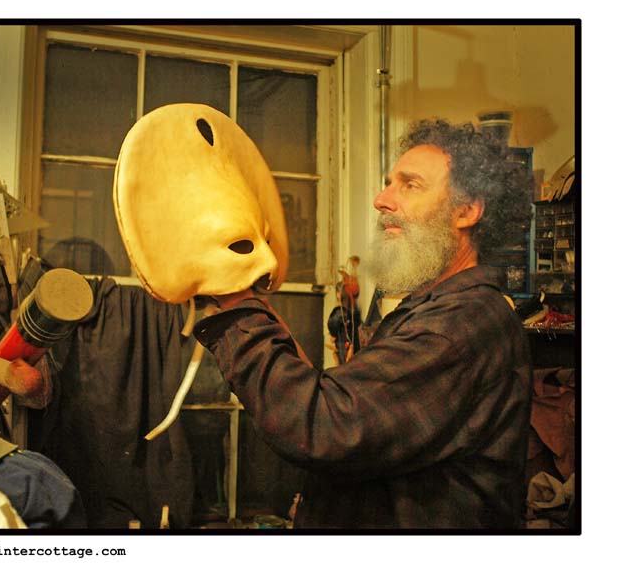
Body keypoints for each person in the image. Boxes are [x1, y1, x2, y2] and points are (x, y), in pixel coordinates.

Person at [193, 118, 534, 529]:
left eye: (410, 185)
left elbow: (325, 426)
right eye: (390, 183)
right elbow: (340, 402)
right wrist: (251, 302)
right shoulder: (428, 310)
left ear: (467, 211)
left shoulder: (463, 324)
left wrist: (234, 301)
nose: (381, 199)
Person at [327, 277, 360, 364]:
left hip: (347, 345)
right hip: (344, 345)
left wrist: (333, 333)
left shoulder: (344, 313)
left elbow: (332, 323)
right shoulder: (345, 312)